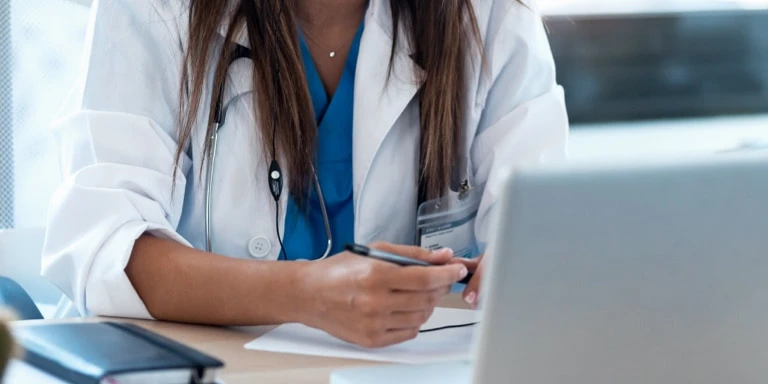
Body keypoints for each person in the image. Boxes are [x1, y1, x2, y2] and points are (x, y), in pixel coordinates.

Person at [42, 0, 568, 348]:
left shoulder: (488, 16)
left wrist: (528, 266)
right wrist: (306, 292)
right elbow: (106, 247)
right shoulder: (155, 8)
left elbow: (549, 228)